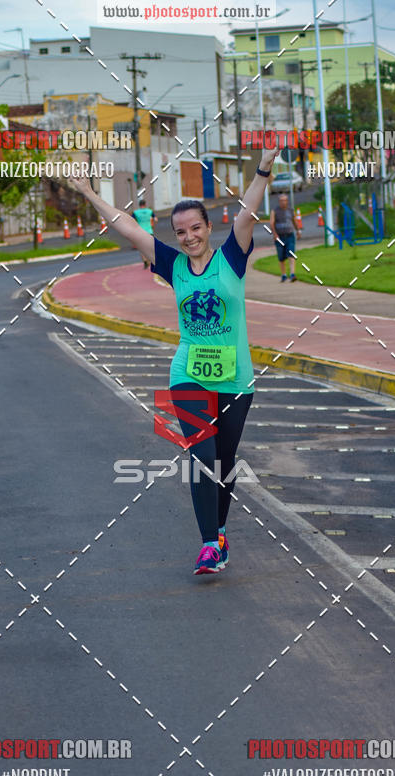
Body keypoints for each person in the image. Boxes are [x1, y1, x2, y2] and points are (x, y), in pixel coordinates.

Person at [69, 146, 279, 575]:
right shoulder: (173, 265)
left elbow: (247, 212)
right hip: (188, 375)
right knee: (202, 458)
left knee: (224, 462)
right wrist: (89, 193)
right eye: (180, 231)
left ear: (208, 227)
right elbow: (128, 228)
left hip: (235, 379)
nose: (188, 237)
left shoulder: (231, 257)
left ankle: (219, 533)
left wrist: (263, 167)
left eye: (195, 228)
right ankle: (208, 545)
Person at [270, 192, 301, 282]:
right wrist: (275, 234)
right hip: (279, 237)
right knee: (281, 257)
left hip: (290, 235)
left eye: (285, 200)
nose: (283, 202)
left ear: (287, 201)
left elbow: (294, 221)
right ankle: (283, 275)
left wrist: (298, 231)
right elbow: (271, 223)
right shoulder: (274, 211)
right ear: (279, 202)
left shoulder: (291, 210)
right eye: (282, 201)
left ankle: (292, 274)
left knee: (291, 254)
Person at [132, 199, 157, 267]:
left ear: (139, 205)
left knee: (141, 248)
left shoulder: (135, 212)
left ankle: (145, 260)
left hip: (140, 232)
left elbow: (132, 220)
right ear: (145, 204)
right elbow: (155, 219)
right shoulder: (150, 211)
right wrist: (152, 226)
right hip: (149, 231)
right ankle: (151, 261)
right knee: (150, 247)